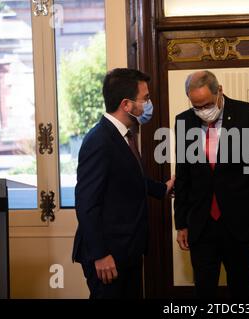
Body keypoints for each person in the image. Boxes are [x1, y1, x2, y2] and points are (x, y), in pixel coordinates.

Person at [174, 70, 249, 299]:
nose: (203, 111)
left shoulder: (248, 115)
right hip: (201, 222)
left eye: (207, 104)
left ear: (219, 90)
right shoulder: (183, 121)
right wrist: (181, 223)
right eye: (197, 106)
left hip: (239, 218)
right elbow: (183, 175)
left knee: (240, 283)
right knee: (203, 286)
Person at [72, 68, 175, 299]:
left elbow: (128, 179)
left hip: (127, 251)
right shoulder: (99, 140)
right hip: (108, 256)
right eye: (145, 98)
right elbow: (87, 203)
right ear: (126, 104)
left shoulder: (122, 135)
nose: (149, 104)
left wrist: (163, 188)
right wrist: (100, 254)